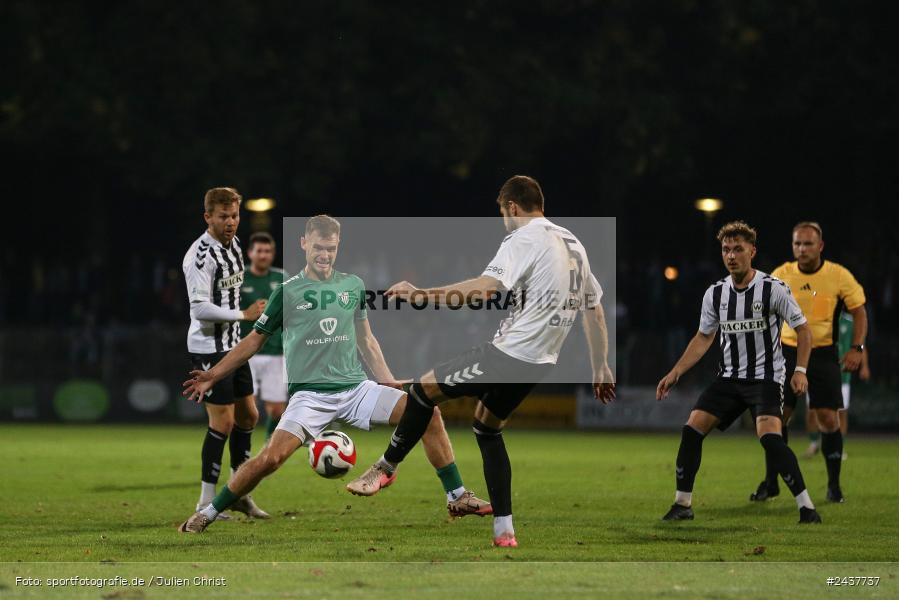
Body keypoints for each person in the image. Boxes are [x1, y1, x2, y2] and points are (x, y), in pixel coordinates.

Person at [345, 175, 616, 548]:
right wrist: (601, 366)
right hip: (542, 362)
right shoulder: (573, 243)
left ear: (512, 207)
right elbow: (594, 310)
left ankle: (386, 467)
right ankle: (504, 532)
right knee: (487, 428)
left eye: (502, 212)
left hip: (510, 354)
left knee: (423, 391)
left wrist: (421, 295)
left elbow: (484, 289)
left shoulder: (523, 238)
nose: (503, 220)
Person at [178, 215, 490, 533]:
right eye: (318, 248)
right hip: (310, 397)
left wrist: (386, 379)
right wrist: (214, 374)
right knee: (270, 459)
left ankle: (457, 496)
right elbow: (253, 340)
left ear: (338, 245)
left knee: (428, 413)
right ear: (304, 244)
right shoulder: (287, 292)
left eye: (330, 248)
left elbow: (366, 340)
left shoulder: (352, 285)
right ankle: (208, 512)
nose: (324, 255)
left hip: (356, 390)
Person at [657, 220, 822, 524]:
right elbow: (703, 337)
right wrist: (676, 372)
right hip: (730, 379)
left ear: (752, 252)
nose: (731, 255)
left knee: (770, 438)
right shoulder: (715, 293)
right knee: (692, 430)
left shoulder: (773, 288)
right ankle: (682, 504)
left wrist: (800, 370)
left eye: (738, 249)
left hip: (766, 378)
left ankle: (807, 507)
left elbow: (803, 330)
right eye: (726, 250)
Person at [750, 222, 866, 503]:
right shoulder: (781, 274)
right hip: (786, 353)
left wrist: (857, 348)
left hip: (823, 353)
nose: (801, 249)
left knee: (828, 418)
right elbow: (761, 311)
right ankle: (771, 482)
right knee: (776, 419)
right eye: (797, 244)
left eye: (808, 244)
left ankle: (834, 486)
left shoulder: (838, 275)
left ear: (820, 246)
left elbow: (859, 311)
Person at [181, 187, 269, 520]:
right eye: (223, 217)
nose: (230, 222)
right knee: (224, 422)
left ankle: (239, 493)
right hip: (208, 348)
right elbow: (199, 308)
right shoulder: (200, 256)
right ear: (208, 217)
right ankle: (205, 502)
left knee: (249, 417)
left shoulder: (234, 247)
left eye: (234, 215)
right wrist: (244, 315)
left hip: (234, 345)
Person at [240, 232, 288, 439]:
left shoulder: (282, 277)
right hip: (245, 352)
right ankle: (242, 448)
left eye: (268, 251)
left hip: (275, 351)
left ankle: (269, 449)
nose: (263, 255)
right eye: (259, 251)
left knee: (277, 410)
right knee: (245, 409)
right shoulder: (239, 278)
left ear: (273, 254)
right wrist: (246, 313)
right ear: (250, 253)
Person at [802, 312, 870, 459]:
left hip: (842, 375)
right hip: (816, 371)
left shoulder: (849, 322)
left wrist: (864, 366)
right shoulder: (817, 319)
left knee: (841, 412)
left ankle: (839, 446)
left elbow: (860, 344)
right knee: (811, 410)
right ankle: (813, 443)